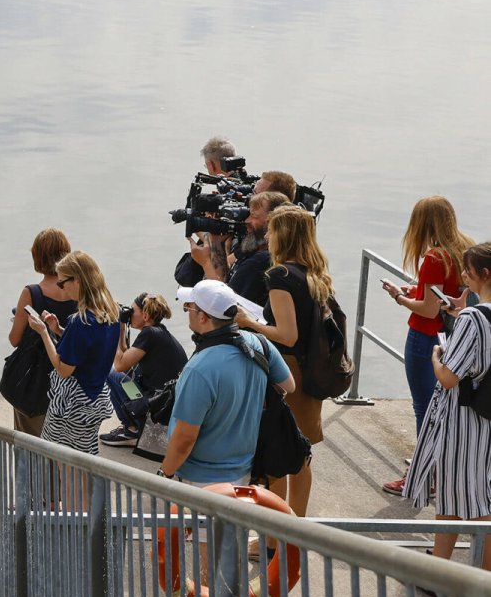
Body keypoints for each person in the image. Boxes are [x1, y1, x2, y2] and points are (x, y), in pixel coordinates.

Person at [234, 206, 334, 515]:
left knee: (276, 455)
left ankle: (276, 535)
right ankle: (294, 528)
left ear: (284, 235)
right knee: (300, 455)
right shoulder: (315, 274)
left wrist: (249, 323)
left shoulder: (280, 276)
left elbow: (287, 335)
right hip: (309, 371)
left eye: (272, 230)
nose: (267, 236)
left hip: (287, 372)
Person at [404, 241, 491, 571]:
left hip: (464, 421)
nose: (464, 277)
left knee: (475, 498)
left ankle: (483, 579)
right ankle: (441, 570)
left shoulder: (472, 318)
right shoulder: (475, 315)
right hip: (487, 416)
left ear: (484, 274)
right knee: (455, 496)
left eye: (468, 272)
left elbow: (449, 378)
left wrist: (437, 357)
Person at [380, 195, 473, 496]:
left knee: (424, 408)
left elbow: (428, 311)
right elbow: (443, 297)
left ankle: (422, 477)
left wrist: (399, 297)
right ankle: (436, 467)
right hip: (454, 339)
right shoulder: (462, 250)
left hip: (425, 340)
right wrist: (416, 290)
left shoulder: (434, 258)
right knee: (444, 407)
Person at [158, 279, 293, 485]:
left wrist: (165, 474)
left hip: (201, 479)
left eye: (189, 307)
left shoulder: (198, 370)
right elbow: (288, 386)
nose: (186, 310)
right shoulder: (261, 344)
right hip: (245, 471)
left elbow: (185, 439)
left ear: (203, 317)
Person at [24, 250, 122, 459]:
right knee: (84, 459)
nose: (61, 288)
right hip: (94, 398)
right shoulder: (111, 313)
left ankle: (72, 494)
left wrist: (43, 332)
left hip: (73, 404)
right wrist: (59, 330)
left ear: (76, 280)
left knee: (67, 465)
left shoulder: (81, 321)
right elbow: (89, 348)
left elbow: (63, 368)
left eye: (62, 283)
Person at [6, 228, 78, 438]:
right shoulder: (79, 291)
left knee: (29, 445)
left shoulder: (32, 293)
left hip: (35, 382)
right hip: (71, 381)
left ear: (37, 256)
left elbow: (14, 339)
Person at [100, 293, 187, 448]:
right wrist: (120, 326)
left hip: (158, 406)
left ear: (145, 315)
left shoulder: (150, 334)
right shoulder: (158, 332)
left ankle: (132, 430)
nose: (129, 314)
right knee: (120, 375)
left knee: (111, 373)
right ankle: (133, 426)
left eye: (132, 311)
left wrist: (116, 327)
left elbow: (120, 366)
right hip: (163, 404)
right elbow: (127, 359)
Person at [190, 190, 289, 307]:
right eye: (248, 214)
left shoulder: (262, 260)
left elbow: (224, 304)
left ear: (274, 223)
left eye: (254, 216)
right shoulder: (251, 248)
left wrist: (206, 263)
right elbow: (222, 281)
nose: (247, 221)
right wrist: (216, 242)